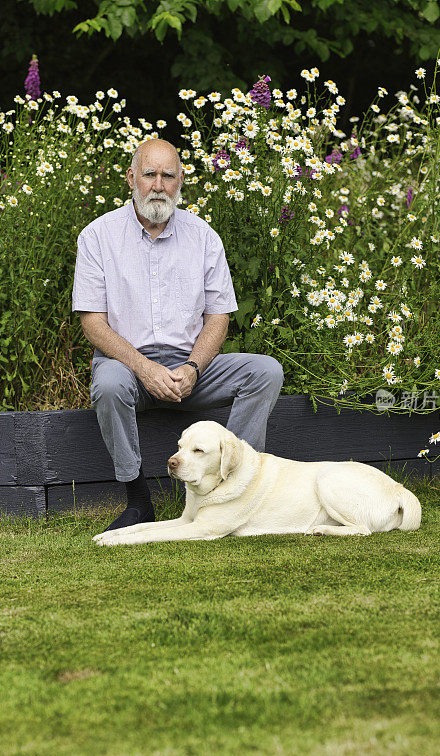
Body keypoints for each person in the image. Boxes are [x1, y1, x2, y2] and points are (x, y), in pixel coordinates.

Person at [72, 138, 284, 532]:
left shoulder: (203, 237)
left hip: (191, 368)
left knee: (266, 372)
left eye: (168, 175)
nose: (158, 185)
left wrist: (192, 368)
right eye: (149, 174)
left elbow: (218, 318)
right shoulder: (97, 236)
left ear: (181, 180)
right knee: (108, 383)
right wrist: (145, 369)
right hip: (128, 367)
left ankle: (235, 489)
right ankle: (138, 501)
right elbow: (92, 323)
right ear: (131, 178)